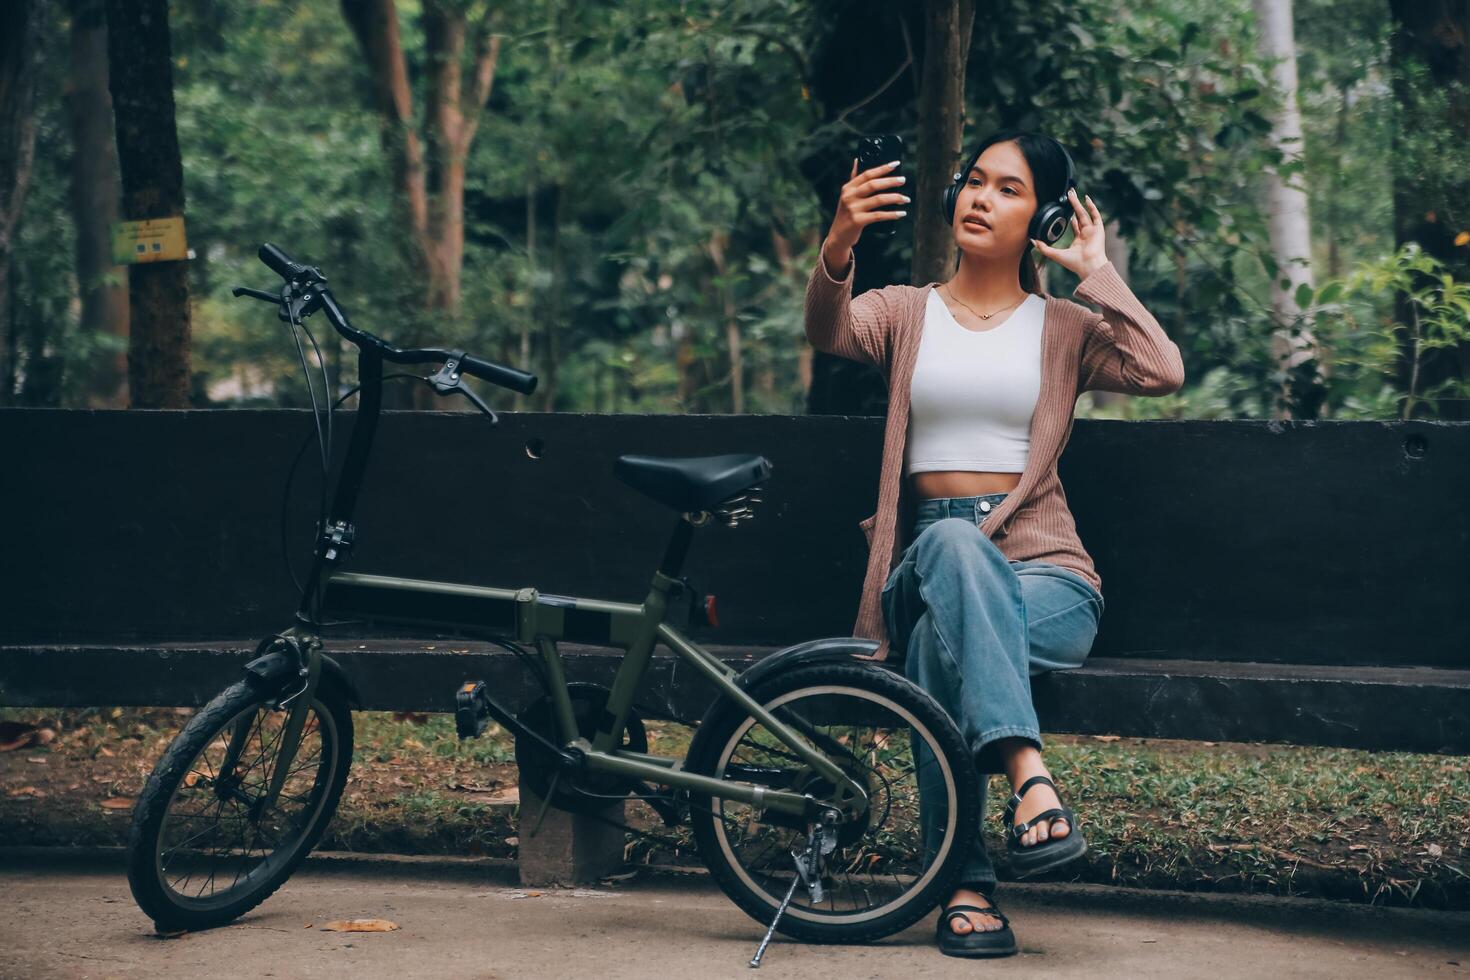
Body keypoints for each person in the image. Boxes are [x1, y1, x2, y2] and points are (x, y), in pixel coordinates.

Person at [803, 129, 1184, 958]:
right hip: (927, 562)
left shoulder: (1066, 329)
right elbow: (829, 330)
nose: (980, 197)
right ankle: (1030, 781)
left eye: (1008, 189)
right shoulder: (905, 312)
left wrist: (1098, 272)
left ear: (1040, 215)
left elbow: (1162, 370)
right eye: (973, 181)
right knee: (950, 552)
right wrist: (840, 240)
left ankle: (965, 882)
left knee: (943, 649)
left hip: (1048, 581)